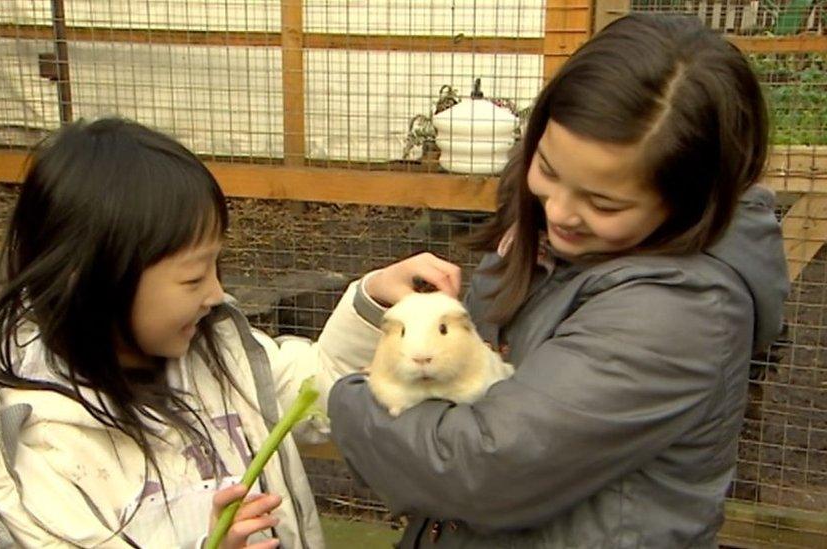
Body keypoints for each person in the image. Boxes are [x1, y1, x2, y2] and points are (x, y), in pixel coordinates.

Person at [0, 118, 458, 549]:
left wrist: (377, 307)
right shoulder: (24, 446)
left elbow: (325, 397)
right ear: (96, 281)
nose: (218, 293)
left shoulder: (215, 351)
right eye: (194, 275)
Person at [328, 13, 790, 548]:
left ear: (689, 201)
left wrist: (354, 398)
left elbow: (482, 467)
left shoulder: (677, 312)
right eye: (548, 168)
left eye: (604, 202)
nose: (561, 212)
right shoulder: (548, 242)